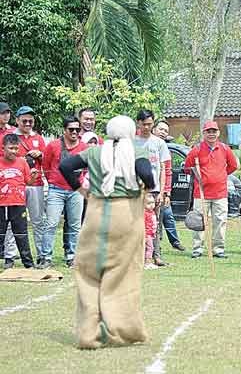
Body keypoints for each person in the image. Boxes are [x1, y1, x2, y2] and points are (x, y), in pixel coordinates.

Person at [59, 115, 155, 349]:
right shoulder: (135, 150)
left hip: (96, 212)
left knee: (89, 273)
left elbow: (65, 166)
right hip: (126, 215)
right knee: (122, 273)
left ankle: (88, 334)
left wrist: (80, 188)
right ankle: (122, 329)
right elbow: (147, 175)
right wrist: (148, 188)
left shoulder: (94, 152)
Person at [184, 121, 238, 259]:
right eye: (209, 131)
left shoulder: (225, 149)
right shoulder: (196, 149)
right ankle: (197, 248)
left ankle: (218, 249)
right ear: (204, 133)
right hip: (201, 192)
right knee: (199, 221)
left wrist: (220, 175)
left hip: (220, 193)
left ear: (218, 133)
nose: (211, 134)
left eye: (214, 131)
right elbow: (187, 168)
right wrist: (198, 176)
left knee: (220, 221)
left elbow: (233, 166)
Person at [40, 116, 88, 268]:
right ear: (64, 130)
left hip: (76, 191)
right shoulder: (53, 145)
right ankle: (46, 257)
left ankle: (72, 256)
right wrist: (53, 181)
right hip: (56, 190)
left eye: (77, 129)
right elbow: (45, 165)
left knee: (75, 225)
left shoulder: (84, 147)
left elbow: (87, 168)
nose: (74, 132)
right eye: (71, 129)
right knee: (51, 224)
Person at [134, 110, 171, 266]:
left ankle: (156, 254)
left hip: (154, 189)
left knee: (154, 224)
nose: (147, 127)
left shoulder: (159, 143)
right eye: (144, 124)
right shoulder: (131, 141)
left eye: (150, 124)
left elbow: (164, 168)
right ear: (138, 123)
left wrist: (163, 192)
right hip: (135, 190)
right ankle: (136, 255)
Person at [0, 133, 39, 269]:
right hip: (2, 205)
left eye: (16, 149)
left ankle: (28, 263)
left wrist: (34, 176)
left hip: (19, 204)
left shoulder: (22, 162)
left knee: (21, 234)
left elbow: (28, 181)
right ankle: (7, 260)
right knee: (1, 234)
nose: (14, 151)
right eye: (11, 148)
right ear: (3, 148)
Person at [14, 106, 46, 259]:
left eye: (30, 121)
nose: (28, 124)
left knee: (38, 220)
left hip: (36, 184)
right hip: (17, 184)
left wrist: (40, 154)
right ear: (17, 121)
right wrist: (20, 159)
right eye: (24, 121)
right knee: (13, 221)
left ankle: (41, 254)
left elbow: (47, 159)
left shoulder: (38, 138)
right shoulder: (11, 137)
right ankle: (11, 256)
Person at [151, 120, 185, 252]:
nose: (163, 133)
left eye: (166, 131)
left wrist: (167, 193)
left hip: (161, 190)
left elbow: (168, 172)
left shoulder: (165, 149)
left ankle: (174, 242)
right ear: (153, 130)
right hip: (147, 188)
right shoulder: (145, 143)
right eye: (161, 129)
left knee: (167, 214)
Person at [0, 102, 18, 265]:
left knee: (12, 222)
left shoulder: (13, 131)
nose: (6, 115)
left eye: (8, 112)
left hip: (11, 177)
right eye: (2, 113)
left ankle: (9, 255)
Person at [144, 194, 158, 270]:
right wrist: (146, 235)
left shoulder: (152, 212)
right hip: (147, 234)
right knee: (150, 248)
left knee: (150, 248)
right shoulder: (145, 213)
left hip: (151, 234)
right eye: (148, 203)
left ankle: (148, 262)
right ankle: (147, 263)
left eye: (153, 203)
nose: (151, 205)